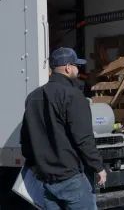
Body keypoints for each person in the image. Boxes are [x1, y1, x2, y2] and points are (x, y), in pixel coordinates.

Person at [20, 47, 107, 210]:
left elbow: (26, 141)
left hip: (45, 180)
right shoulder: (73, 96)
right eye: (76, 66)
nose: (77, 69)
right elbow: (84, 139)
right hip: (70, 178)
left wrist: (36, 168)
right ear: (68, 67)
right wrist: (99, 167)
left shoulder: (32, 97)